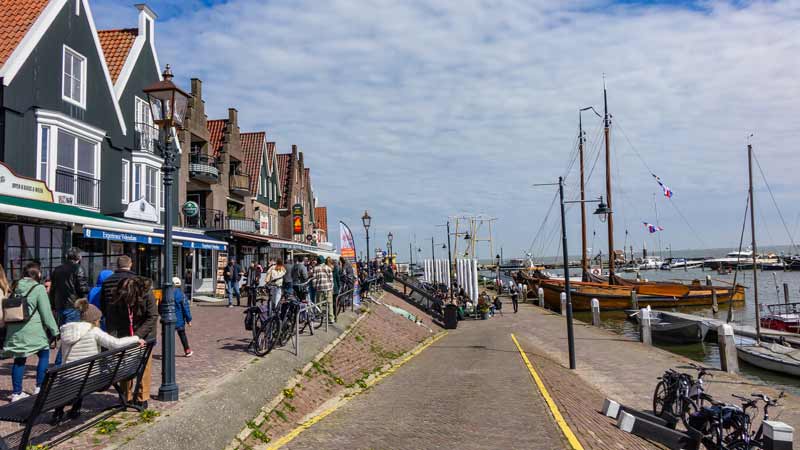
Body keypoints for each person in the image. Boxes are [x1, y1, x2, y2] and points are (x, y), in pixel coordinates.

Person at [55, 298, 143, 421]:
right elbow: (115, 343)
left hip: (67, 377)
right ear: (94, 320)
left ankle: (58, 413)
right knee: (87, 374)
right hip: (88, 378)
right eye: (99, 319)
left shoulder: (67, 331)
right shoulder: (94, 331)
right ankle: (75, 410)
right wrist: (135, 339)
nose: (100, 321)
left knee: (77, 375)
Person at [4, 262, 59, 402]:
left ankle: (16, 393)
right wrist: (55, 330)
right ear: (38, 274)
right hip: (33, 330)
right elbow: (46, 313)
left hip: (15, 330)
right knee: (44, 353)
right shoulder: (39, 288)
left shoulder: (15, 286)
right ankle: (39, 387)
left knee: (19, 359)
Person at [107, 276, 158, 409]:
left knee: (144, 365)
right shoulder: (116, 296)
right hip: (125, 333)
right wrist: (114, 341)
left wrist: (137, 336)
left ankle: (142, 396)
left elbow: (152, 316)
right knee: (124, 363)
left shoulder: (147, 294)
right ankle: (126, 396)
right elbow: (112, 321)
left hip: (144, 333)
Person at [49, 247, 89, 366]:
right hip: (73, 306)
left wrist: (53, 305)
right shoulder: (78, 268)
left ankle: (65, 362)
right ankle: (59, 364)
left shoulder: (57, 270)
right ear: (79, 258)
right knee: (69, 337)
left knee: (66, 335)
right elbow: (82, 289)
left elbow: (53, 290)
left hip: (60, 306)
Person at [172, 277, 193, 357]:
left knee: (169, 337)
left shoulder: (166, 294)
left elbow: (161, 306)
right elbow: (185, 308)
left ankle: (168, 351)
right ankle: (187, 350)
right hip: (179, 320)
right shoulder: (181, 295)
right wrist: (189, 319)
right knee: (182, 335)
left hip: (169, 320)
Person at [312, 257, 335, 323]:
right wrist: (331, 287)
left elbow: (314, 279)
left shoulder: (315, 268)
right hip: (328, 288)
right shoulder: (328, 268)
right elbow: (331, 279)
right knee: (330, 303)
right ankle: (331, 318)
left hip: (319, 288)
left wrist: (314, 287)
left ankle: (320, 317)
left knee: (319, 303)